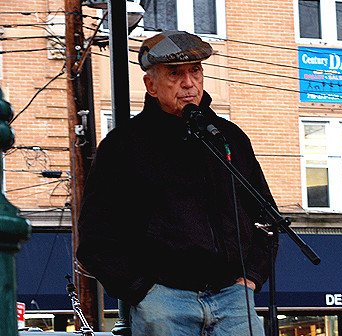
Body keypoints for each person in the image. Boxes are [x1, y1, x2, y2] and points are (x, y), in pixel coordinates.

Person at [76, 30, 278, 335]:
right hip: (163, 300)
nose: (189, 83)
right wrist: (139, 289)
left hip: (233, 298)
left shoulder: (228, 138)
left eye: (195, 71)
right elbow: (96, 235)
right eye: (175, 73)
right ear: (151, 85)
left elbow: (266, 215)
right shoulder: (124, 146)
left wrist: (251, 276)